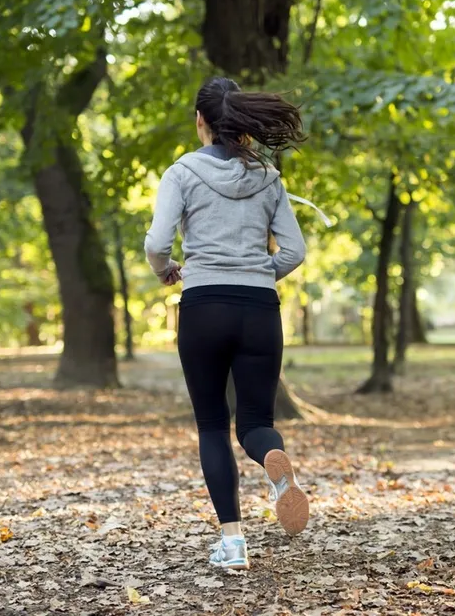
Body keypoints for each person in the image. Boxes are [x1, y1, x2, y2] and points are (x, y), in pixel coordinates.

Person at [144, 77, 310, 570]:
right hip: (260, 309)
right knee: (256, 423)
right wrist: (259, 273)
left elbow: (157, 243)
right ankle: (277, 471)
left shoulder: (182, 172)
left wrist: (167, 272)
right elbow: (295, 251)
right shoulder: (268, 175)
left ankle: (233, 544)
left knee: (212, 424)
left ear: (201, 122)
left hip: (205, 307)